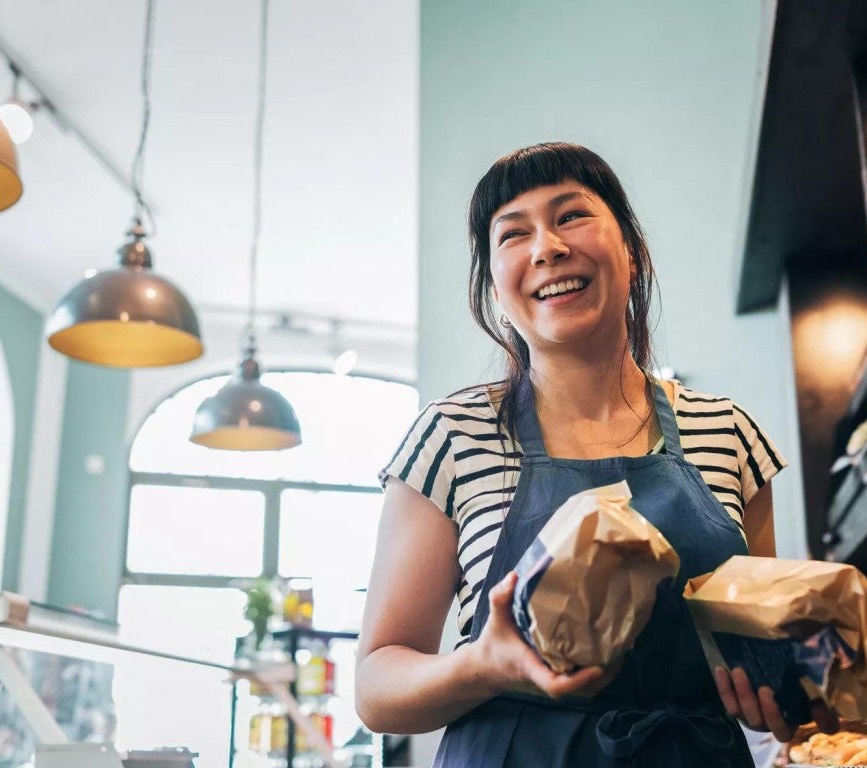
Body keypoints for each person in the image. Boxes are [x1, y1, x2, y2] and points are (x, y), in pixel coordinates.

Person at [355, 142, 838, 767]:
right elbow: (376, 688)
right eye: (513, 234)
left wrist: (782, 690)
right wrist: (483, 666)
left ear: (631, 251)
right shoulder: (454, 434)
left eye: (571, 215)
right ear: (494, 288)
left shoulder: (727, 431)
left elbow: (757, 644)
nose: (546, 247)